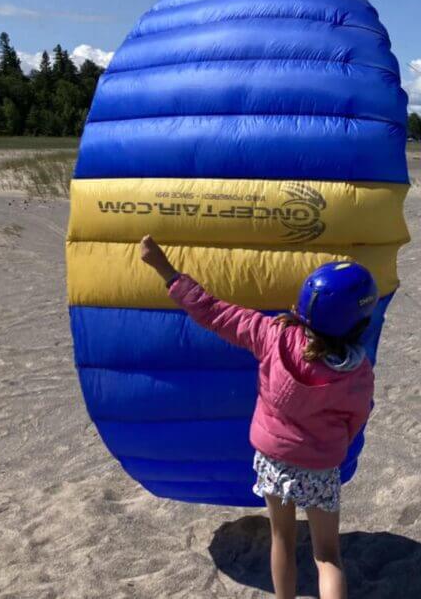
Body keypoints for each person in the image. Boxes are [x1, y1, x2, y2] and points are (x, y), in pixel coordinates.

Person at [139, 235, 375, 599]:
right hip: (320, 464)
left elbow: (212, 311)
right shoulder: (357, 372)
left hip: (274, 458)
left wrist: (165, 270)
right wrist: (335, 445)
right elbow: (356, 418)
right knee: (327, 556)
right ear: (358, 323)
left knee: (281, 538)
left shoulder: (272, 335)